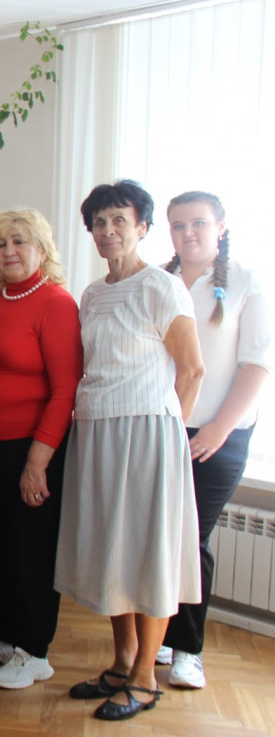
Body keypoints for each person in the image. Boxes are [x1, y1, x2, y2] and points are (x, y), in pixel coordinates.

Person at [56, 180, 204, 721]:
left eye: (119, 219)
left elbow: (192, 371)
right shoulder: (92, 294)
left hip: (147, 434)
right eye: (99, 222)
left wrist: (167, 438)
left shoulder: (162, 287)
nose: (108, 230)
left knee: (148, 553)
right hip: (96, 431)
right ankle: (120, 663)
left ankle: (145, 678)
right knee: (111, 551)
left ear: (142, 226)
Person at [0, 209, 82, 689]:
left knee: (32, 552)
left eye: (19, 242)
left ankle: (35, 649)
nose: (9, 251)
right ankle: (3, 634)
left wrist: (37, 461)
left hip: (34, 448)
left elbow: (65, 392)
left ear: (41, 250)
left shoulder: (56, 303)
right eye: (0, 243)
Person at [157, 192, 271, 688]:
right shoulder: (159, 280)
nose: (188, 233)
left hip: (218, 434)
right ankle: (160, 635)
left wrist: (219, 429)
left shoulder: (246, 281)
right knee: (160, 536)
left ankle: (188, 649)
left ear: (220, 228)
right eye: (178, 225)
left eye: (199, 223)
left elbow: (257, 364)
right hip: (163, 429)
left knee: (190, 537)